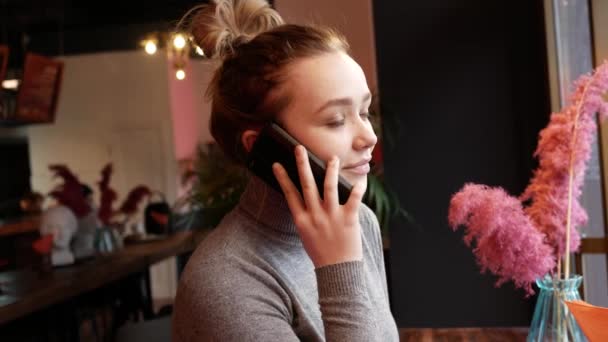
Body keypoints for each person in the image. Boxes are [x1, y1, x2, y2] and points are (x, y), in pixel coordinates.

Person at [172, 0, 399, 341]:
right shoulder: (223, 283)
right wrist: (340, 269)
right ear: (264, 145)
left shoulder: (358, 223)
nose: (368, 137)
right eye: (336, 120)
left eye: (364, 112)